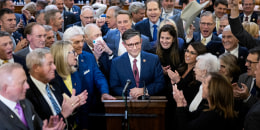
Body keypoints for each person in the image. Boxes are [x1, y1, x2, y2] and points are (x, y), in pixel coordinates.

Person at [63, 26, 116, 129]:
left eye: (82, 41)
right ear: (66, 44)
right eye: (76, 42)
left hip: (89, 110)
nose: (81, 45)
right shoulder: (60, 62)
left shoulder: (88, 57)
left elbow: (99, 77)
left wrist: (104, 92)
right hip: (70, 114)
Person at [25, 48, 87, 129]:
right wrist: (63, 114)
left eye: (53, 63)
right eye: (49, 64)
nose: (54, 67)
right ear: (36, 68)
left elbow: (67, 110)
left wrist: (73, 105)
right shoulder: (26, 92)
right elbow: (37, 125)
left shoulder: (54, 81)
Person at [0, 63, 66, 130]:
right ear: (6, 88)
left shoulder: (26, 102)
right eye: (22, 83)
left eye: (26, 81)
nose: (27, 86)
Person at [173, 72, 239, 130]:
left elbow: (185, 128)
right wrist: (183, 106)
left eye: (204, 83)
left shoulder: (213, 115)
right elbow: (191, 117)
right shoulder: (208, 107)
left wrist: (179, 104)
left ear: (212, 90)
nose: (202, 86)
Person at [110, 29, 165, 97]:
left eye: (137, 43)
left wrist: (144, 90)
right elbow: (114, 87)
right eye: (130, 45)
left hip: (150, 102)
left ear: (141, 42)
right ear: (124, 45)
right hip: (127, 103)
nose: (135, 48)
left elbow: (160, 83)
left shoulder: (153, 59)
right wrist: (131, 93)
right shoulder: (116, 63)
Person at [165, 42, 207, 130]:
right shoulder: (179, 68)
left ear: (200, 56)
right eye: (187, 51)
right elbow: (169, 90)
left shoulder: (199, 74)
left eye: (192, 53)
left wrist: (178, 81)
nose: (187, 54)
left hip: (186, 113)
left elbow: (191, 95)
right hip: (171, 110)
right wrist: (173, 83)